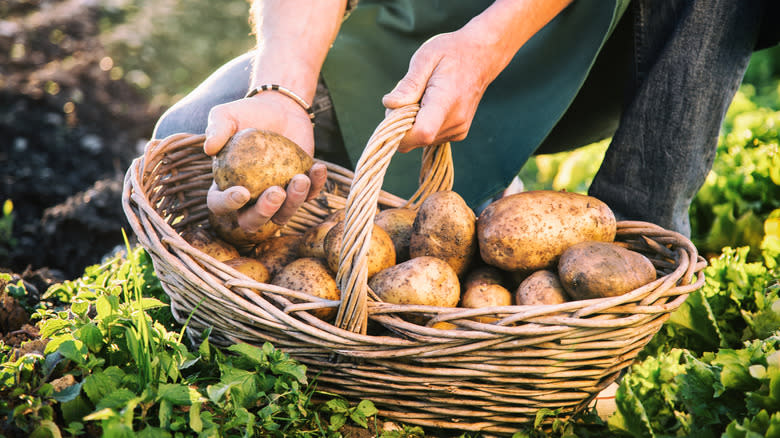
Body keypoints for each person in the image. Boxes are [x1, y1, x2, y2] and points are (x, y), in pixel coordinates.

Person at [152, 0, 776, 238]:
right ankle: (482, 184)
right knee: (184, 140)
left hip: (617, 31)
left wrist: (487, 45)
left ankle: (644, 235)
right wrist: (283, 92)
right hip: (425, 24)